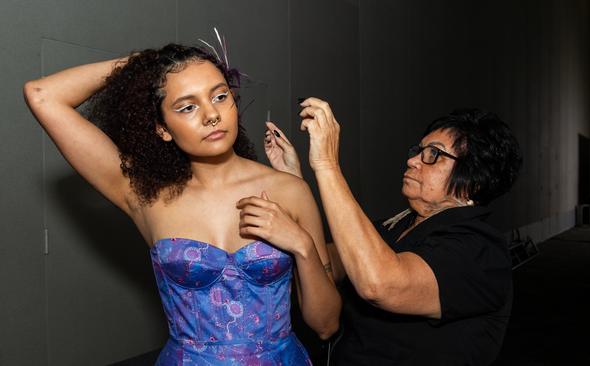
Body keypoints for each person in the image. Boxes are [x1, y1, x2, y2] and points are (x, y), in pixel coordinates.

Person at [23, 44, 340, 365]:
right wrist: (142, 65)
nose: (211, 115)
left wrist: (303, 246)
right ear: (162, 129)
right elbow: (42, 94)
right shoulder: (144, 194)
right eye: (187, 107)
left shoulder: (290, 190)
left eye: (219, 96)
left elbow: (326, 325)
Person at [263, 99, 522, 365]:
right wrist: (296, 184)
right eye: (418, 150)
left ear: (473, 180)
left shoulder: (479, 249)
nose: (412, 161)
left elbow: (379, 284)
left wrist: (327, 165)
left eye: (433, 154)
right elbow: (325, 262)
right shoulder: (397, 225)